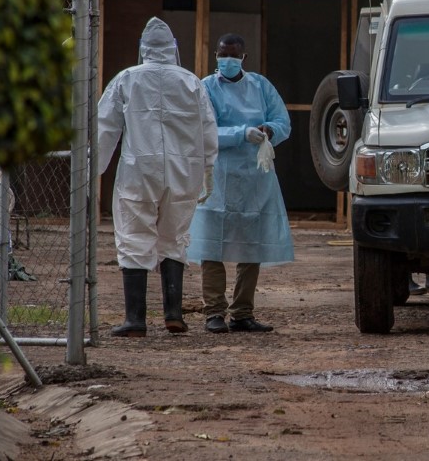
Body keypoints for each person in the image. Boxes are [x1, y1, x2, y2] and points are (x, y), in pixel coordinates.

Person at [98, 17, 218, 337]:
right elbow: (208, 129)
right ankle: (173, 314)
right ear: (173, 49)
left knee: (134, 235)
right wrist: (208, 170)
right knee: (174, 238)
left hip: (139, 169)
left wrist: (92, 170)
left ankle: (135, 320)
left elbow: (104, 129)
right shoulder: (192, 82)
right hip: (184, 171)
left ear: (143, 49)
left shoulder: (126, 80)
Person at [187, 33, 294, 333]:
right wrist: (240, 133)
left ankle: (243, 313)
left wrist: (268, 130)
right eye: (223, 56)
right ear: (216, 57)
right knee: (212, 245)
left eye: (233, 57)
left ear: (243, 58)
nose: (227, 62)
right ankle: (214, 312)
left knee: (251, 247)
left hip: (253, 178)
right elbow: (203, 131)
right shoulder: (206, 87)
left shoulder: (260, 86)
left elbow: (283, 121)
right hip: (217, 176)